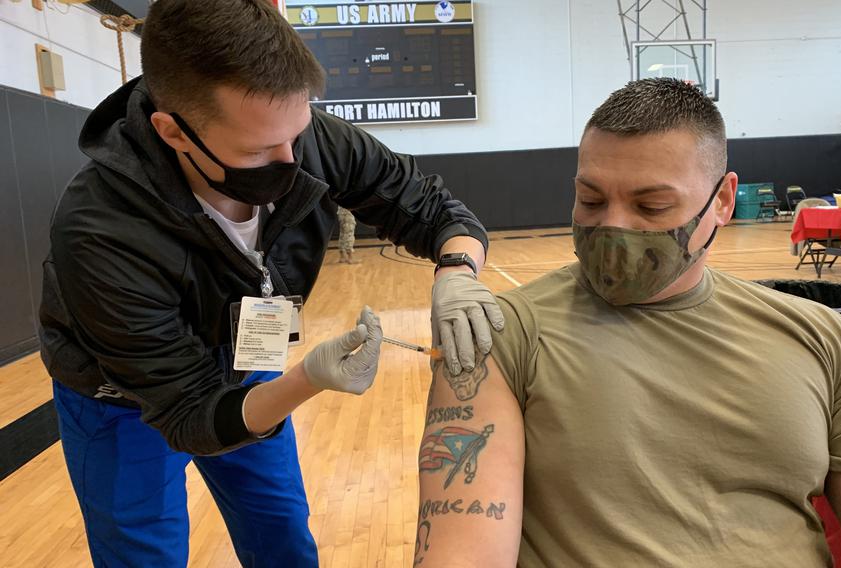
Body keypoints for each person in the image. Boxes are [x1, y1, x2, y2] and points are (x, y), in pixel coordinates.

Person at [38, 1, 503, 566]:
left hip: (243, 353)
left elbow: (432, 207)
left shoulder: (301, 140)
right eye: (257, 151)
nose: (291, 162)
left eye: (297, 133)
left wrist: (457, 273)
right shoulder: (101, 232)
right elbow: (188, 414)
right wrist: (307, 379)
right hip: (124, 395)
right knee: (142, 552)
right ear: (172, 131)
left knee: (281, 532)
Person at [414, 79, 841, 567]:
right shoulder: (500, 335)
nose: (614, 225)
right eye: (590, 200)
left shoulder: (826, 342)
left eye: (651, 206)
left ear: (721, 200)